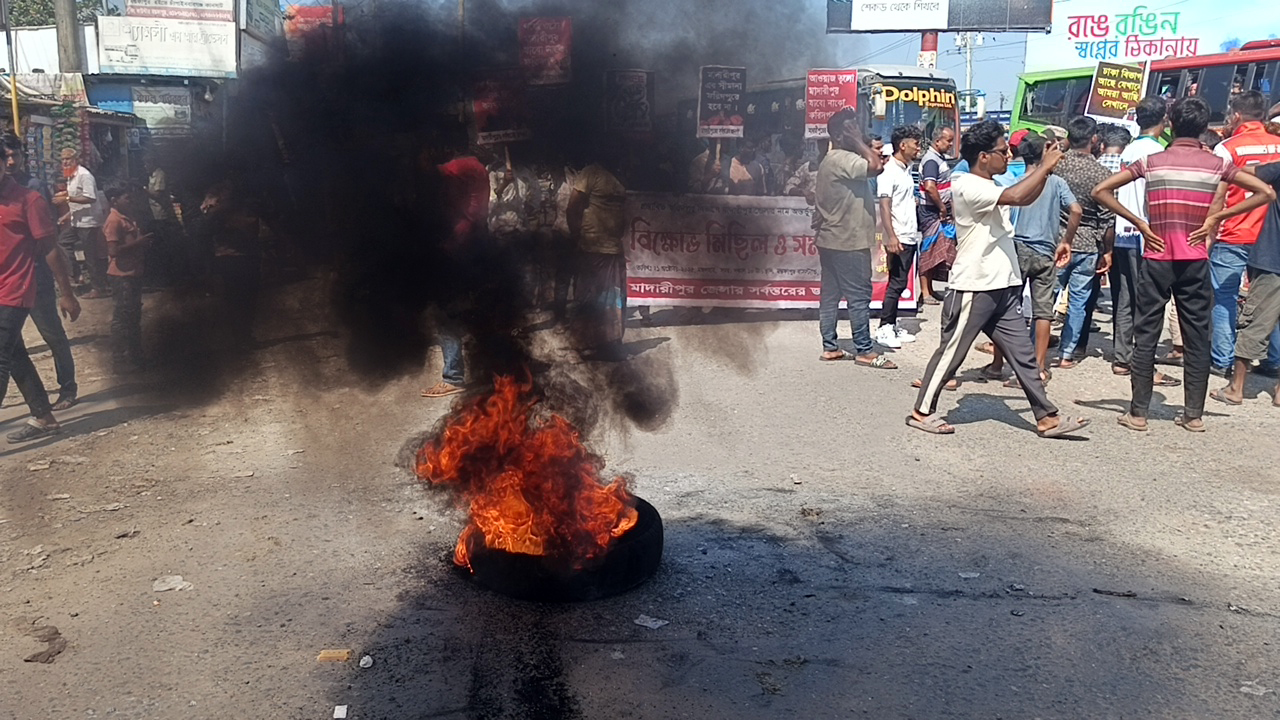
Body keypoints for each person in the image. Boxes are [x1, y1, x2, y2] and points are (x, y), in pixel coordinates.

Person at [1092, 96, 1276, 432]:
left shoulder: (1152, 161)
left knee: (1146, 334)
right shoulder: (1217, 165)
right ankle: (1193, 415)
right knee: (1196, 336)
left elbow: (1101, 190)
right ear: (1205, 127)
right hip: (1195, 259)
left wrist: (1142, 224)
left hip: (1157, 255)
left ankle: (1138, 413)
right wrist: (1217, 217)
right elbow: (1266, 192)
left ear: (1170, 124)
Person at [908, 120, 1089, 438]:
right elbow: (1019, 196)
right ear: (983, 157)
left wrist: (1046, 171)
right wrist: (1045, 166)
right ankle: (922, 411)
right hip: (975, 284)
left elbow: (1026, 196)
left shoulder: (989, 185)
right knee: (951, 352)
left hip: (1001, 283)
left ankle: (1047, 417)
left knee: (1023, 354)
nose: (1008, 156)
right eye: (1003, 152)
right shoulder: (967, 184)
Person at [1, 135, 80, 409]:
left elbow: (49, 241)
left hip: (35, 276)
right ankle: (40, 409)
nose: (11, 161)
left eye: (14, 155)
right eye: (6, 155)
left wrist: (66, 291)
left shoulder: (33, 190)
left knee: (51, 334)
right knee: (11, 348)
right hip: (7, 280)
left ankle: (67, 389)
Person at [1208, 91, 1280, 378]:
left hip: (1234, 232)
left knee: (1224, 297)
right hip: (1272, 236)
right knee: (1274, 301)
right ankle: (1273, 360)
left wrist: (1210, 228)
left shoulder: (1227, 148)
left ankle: (1224, 361)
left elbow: (1218, 195)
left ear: (1235, 115)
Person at [815, 107, 892, 368]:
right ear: (840, 134)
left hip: (831, 238)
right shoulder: (842, 159)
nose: (859, 132)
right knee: (859, 296)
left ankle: (830, 347)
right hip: (849, 240)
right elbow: (876, 166)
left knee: (831, 295)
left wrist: (857, 140)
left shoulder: (830, 159)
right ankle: (864, 350)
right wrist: (859, 141)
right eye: (853, 128)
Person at [1113, 98, 1178, 387]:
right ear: (1163, 120)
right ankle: (1143, 363)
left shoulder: (1129, 150)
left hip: (1123, 231)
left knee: (1127, 298)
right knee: (1149, 303)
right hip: (1146, 233)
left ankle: (1122, 357)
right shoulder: (1157, 151)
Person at [1211, 159, 1280, 406]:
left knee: (1254, 324)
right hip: (1271, 258)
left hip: (1273, 258)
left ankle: (1236, 388)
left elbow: (1241, 173)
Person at [1010, 133, 1079, 379]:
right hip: (1045, 251)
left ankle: (998, 365)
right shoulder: (1056, 183)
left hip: (1016, 249)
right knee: (1043, 312)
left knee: (1007, 308)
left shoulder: (1016, 181)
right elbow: (1076, 210)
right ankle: (1039, 367)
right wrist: (1066, 241)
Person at [423, 149, 490, 398]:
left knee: (447, 314)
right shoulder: (477, 168)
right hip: (478, 250)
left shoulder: (452, 171)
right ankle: (496, 368)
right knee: (477, 311)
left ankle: (453, 376)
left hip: (454, 253)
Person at [1052, 117, 1115, 369]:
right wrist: (1108, 251)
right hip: (1088, 245)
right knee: (1078, 302)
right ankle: (1067, 353)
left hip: (1057, 242)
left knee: (1048, 297)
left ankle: (1036, 347)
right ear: (1094, 139)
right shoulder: (1102, 173)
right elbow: (1108, 218)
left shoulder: (1057, 167)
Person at [567, 160, 628, 360]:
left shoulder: (620, 176)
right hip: (591, 248)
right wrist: (578, 236)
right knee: (587, 296)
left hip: (614, 249)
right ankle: (579, 346)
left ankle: (610, 345)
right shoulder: (590, 172)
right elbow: (573, 207)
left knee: (614, 299)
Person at [875, 125, 923, 348]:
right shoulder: (888, 171)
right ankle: (884, 328)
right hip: (899, 235)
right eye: (915, 143)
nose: (918, 148)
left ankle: (891, 324)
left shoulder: (907, 170)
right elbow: (885, 206)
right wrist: (890, 236)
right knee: (896, 283)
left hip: (910, 234)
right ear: (902, 145)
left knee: (901, 281)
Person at [103, 186, 149, 372]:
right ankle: (119, 360)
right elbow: (113, 251)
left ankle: (136, 357)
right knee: (122, 317)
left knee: (133, 316)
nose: (131, 201)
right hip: (121, 276)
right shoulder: (114, 221)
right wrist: (139, 243)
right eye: (127, 198)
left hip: (133, 273)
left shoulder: (127, 218)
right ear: (114, 200)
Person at [57, 148, 109, 298]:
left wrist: (66, 199)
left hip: (89, 222)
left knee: (90, 255)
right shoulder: (70, 176)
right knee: (63, 242)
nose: (65, 162)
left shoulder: (84, 176)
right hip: (77, 221)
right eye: (63, 159)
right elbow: (76, 200)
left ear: (76, 160)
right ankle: (76, 275)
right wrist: (67, 215)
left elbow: (90, 198)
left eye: (68, 159)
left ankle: (98, 288)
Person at [917, 126, 956, 306]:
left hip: (940, 209)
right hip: (931, 211)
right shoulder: (931, 160)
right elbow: (930, 186)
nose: (950, 144)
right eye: (948, 140)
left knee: (938, 251)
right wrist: (941, 207)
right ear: (937, 140)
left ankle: (931, 289)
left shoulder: (939, 159)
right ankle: (925, 293)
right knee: (928, 250)